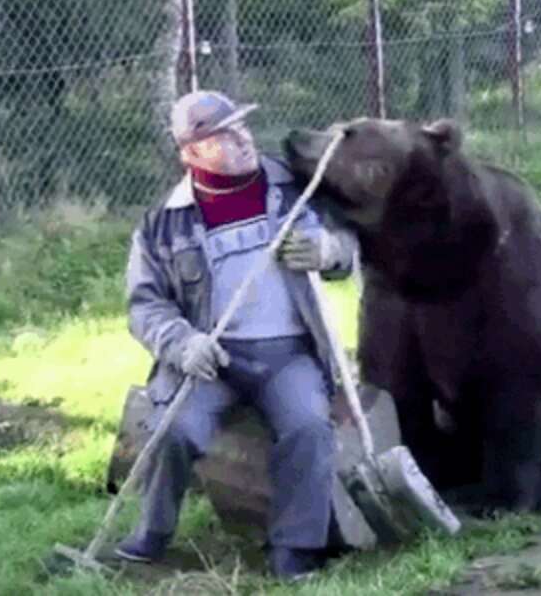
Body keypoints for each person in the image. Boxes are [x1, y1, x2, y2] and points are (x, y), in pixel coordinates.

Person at [116, 90, 359, 581]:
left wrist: (330, 249)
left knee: (310, 428)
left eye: (242, 126)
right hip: (212, 359)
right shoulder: (163, 223)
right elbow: (145, 305)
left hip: (290, 353)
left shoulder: (297, 187)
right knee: (174, 430)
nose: (242, 138)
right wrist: (182, 343)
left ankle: (295, 548)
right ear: (190, 152)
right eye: (222, 135)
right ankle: (154, 532)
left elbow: (355, 242)